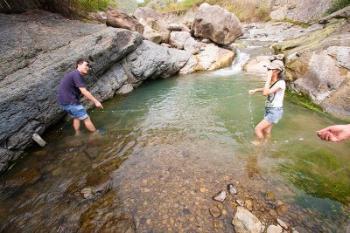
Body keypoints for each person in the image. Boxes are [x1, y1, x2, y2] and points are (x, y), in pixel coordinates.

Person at [57, 58, 103, 135]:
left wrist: (86, 97)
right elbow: (84, 91)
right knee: (86, 118)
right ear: (79, 65)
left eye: (89, 66)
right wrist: (96, 101)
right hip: (71, 101)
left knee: (76, 117)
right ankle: (96, 134)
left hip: (63, 102)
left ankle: (77, 134)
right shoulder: (77, 74)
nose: (88, 68)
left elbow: (75, 90)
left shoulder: (73, 74)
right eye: (86, 65)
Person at [248, 60, 286, 145]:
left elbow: (265, 93)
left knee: (258, 129)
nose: (268, 71)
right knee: (267, 131)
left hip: (275, 111)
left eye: (270, 69)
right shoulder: (274, 82)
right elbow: (267, 89)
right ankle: (267, 145)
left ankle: (259, 144)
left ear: (277, 71)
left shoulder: (281, 83)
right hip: (270, 109)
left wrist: (268, 77)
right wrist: (256, 90)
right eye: (268, 69)